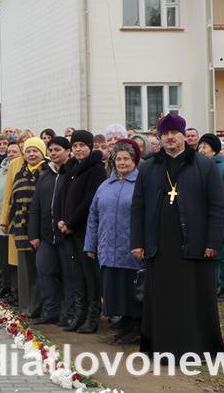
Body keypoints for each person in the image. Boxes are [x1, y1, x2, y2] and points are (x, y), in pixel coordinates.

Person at [131, 112, 224, 357]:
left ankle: (198, 350)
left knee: (194, 300)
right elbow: (138, 206)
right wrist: (137, 242)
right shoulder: (150, 167)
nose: (170, 138)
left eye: (175, 133)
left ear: (185, 136)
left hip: (195, 244)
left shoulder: (204, 165)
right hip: (160, 246)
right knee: (162, 301)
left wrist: (213, 242)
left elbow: (218, 206)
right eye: (165, 134)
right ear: (160, 138)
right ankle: (162, 351)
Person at [85, 139, 143, 345]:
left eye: (126, 158)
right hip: (108, 247)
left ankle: (136, 327)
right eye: (118, 158)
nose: (122, 162)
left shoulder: (141, 183)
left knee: (132, 291)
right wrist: (90, 245)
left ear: (135, 161)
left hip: (132, 249)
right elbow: (93, 216)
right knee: (114, 291)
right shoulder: (105, 185)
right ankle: (123, 327)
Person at [55, 130, 107, 333]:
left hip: (85, 230)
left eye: (82, 146)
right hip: (68, 230)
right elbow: (62, 197)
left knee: (90, 275)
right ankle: (79, 314)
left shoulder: (96, 170)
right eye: (75, 146)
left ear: (90, 147)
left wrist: (70, 223)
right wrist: (60, 220)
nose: (78, 149)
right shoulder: (71, 168)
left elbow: (89, 202)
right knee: (76, 275)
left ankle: (92, 317)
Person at [28, 136, 73, 326]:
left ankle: (68, 313)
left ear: (67, 151)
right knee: (44, 271)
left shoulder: (71, 173)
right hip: (46, 236)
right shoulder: (44, 175)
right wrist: (33, 234)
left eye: (58, 150)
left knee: (68, 275)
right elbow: (35, 206)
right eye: (51, 150)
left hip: (66, 236)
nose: (53, 153)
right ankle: (50, 311)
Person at [1, 138, 45, 317]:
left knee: (40, 270)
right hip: (21, 230)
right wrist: (10, 223)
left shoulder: (47, 172)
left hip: (41, 231)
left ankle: (39, 308)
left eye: (35, 151)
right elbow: (12, 201)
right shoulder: (20, 174)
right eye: (28, 151)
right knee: (24, 272)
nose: (32, 154)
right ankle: (26, 309)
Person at [197, 133, 224, 303]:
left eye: (204, 147)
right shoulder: (198, 167)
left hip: (223, 219)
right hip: (205, 220)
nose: (201, 150)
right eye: (200, 147)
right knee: (209, 256)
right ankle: (211, 286)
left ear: (214, 150)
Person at [0, 141, 21, 303]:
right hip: (0, 222)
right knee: (3, 258)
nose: (10, 154)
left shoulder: (20, 170)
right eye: (8, 151)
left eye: (14, 151)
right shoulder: (1, 171)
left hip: (16, 224)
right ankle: (5, 286)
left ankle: (15, 291)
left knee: (14, 261)